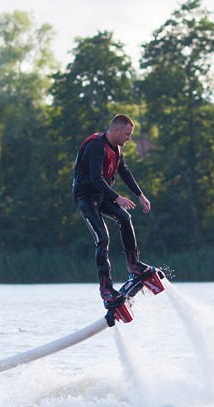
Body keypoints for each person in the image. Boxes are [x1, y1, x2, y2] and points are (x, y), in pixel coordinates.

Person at [72, 114, 155, 308]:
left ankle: (133, 264)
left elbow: (124, 171)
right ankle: (106, 289)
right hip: (86, 198)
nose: (129, 138)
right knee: (102, 238)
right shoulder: (95, 146)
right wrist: (116, 197)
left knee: (125, 218)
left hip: (101, 196)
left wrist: (140, 195)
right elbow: (95, 179)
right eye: (127, 134)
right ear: (116, 131)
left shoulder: (116, 148)